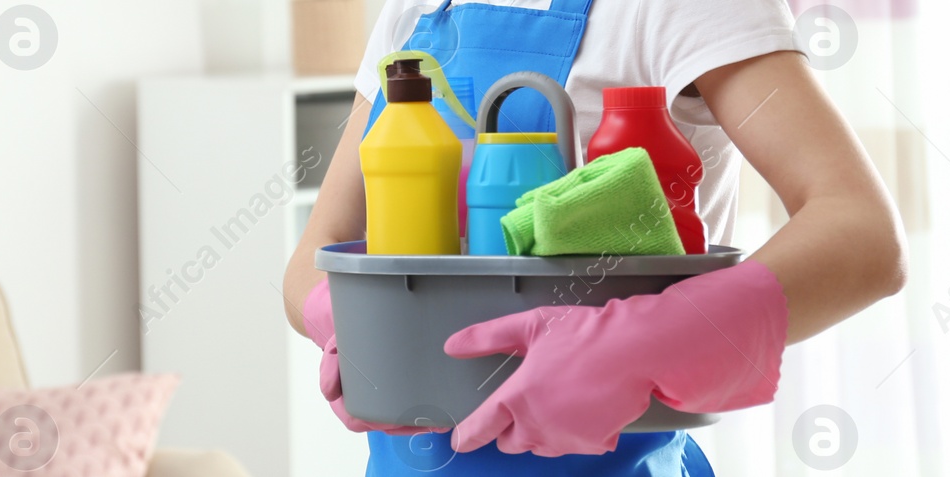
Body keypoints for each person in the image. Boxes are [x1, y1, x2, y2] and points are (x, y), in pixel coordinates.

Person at [280, 0, 909, 475]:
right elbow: (318, 251)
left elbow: (862, 232)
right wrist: (342, 322)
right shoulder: (418, 9)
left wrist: (638, 343)